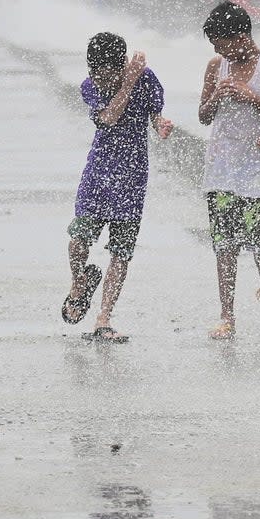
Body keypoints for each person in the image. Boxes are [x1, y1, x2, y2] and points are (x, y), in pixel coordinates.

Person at [62, 32, 173, 342]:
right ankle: (77, 283)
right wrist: (127, 82)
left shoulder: (146, 79)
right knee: (79, 237)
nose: (98, 78)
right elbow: (109, 118)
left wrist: (160, 123)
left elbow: (155, 113)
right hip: (99, 172)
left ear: (122, 65)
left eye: (105, 71)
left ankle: (104, 318)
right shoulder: (91, 88)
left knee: (121, 251)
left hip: (133, 177)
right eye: (93, 71)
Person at [199, 1, 260, 339]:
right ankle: (227, 316)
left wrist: (249, 96)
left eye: (220, 42)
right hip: (221, 168)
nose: (217, 50)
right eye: (214, 45)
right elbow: (203, 116)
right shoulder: (216, 65)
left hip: (257, 169)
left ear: (240, 35)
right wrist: (216, 97)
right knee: (224, 243)